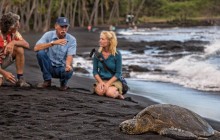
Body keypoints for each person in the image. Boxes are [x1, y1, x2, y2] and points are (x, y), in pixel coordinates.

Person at [34, 17, 77, 91]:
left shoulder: (72, 40)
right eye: (62, 26)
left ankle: (63, 84)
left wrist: (67, 65)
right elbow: (36, 48)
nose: (64, 29)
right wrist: (53, 43)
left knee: (69, 70)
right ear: (56, 26)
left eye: (66, 26)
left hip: (61, 68)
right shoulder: (48, 35)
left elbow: (69, 56)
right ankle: (47, 81)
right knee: (40, 53)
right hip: (49, 66)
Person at [0, 12, 30, 87]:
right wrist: (4, 73)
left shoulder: (13, 33)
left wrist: (13, 42)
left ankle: (20, 79)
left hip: (2, 60)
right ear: (10, 28)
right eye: (17, 25)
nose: (19, 26)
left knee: (19, 48)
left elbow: (27, 44)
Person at [93, 31, 124, 99]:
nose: (100, 41)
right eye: (100, 39)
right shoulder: (97, 54)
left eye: (102, 39)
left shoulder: (117, 54)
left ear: (109, 41)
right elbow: (95, 71)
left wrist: (107, 84)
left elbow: (118, 73)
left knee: (109, 93)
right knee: (100, 92)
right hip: (101, 80)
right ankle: (110, 91)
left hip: (114, 81)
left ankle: (118, 93)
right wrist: (101, 82)